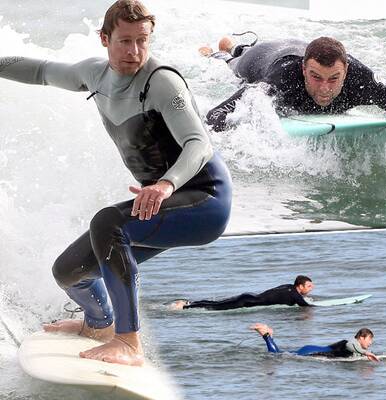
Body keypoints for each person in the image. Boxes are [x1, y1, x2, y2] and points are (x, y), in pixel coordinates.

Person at [0, 0, 232, 366]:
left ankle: (128, 342)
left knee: (107, 223)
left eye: (142, 41)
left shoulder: (162, 82)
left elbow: (199, 144)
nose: (134, 51)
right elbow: (41, 70)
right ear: (104, 39)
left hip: (203, 199)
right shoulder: (95, 75)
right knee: (70, 271)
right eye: (124, 41)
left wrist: (166, 185)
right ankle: (99, 324)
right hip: (159, 201)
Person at [205, 36, 386, 131]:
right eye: (316, 77)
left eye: (334, 78)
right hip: (260, 58)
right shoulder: (283, 80)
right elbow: (215, 114)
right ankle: (222, 52)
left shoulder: (360, 80)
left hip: (301, 48)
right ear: (304, 70)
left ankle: (233, 46)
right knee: (233, 64)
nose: (325, 88)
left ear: (346, 72)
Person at [171, 275, 314, 310]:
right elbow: (306, 307)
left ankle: (188, 303)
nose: (310, 288)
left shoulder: (288, 286)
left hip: (248, 296)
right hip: (246, 301)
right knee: (215, 307)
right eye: (308, 286)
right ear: (300, 286)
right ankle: (185, 306)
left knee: (216, 303)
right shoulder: (294, 294)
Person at [251, 323, 380, 362]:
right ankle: (266, 335)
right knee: (276, 356)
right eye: (370, 339)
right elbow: (350, 346)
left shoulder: (357, 348)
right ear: (362, 337)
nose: (370, 343)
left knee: (280, 354)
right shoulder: (352, 342)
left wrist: (366, 354)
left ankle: (269, 335)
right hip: (312, 351)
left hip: (312, 349)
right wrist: (366, 353)